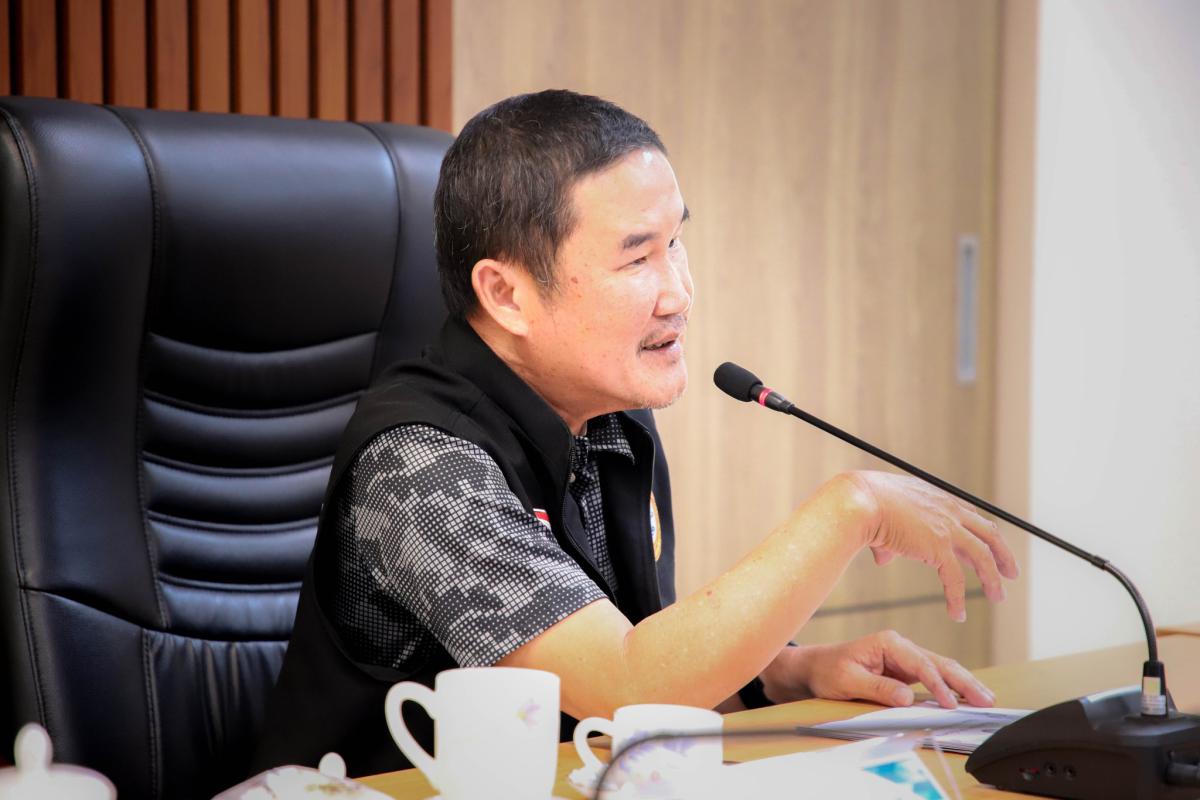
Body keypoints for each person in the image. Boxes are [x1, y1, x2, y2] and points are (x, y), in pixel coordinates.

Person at [252, 89, 1019, 777]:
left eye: (675, 242)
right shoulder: (421, 464)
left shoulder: (608, 416)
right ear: (507, 294)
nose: (679, 293)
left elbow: (640, 658)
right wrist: (852, 508)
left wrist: (794, 671)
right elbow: (625, 685)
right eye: (638, 258)